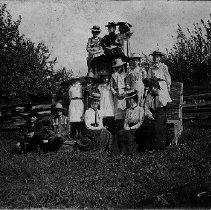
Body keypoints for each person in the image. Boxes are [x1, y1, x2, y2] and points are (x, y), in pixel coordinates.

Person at [141, 78, 169, 151]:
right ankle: (148, 146)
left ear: (156, 87)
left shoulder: (162, 94)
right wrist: (149, 115)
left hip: (161, 113)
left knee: (157, 127)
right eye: (150, 87)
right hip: (152, 113)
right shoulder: (149, 96)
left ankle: (159, 147)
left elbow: (164, 103)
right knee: (146, 126)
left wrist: (159, 94)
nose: (151, 89)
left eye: (153, 87)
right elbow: (146, 107)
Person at [116, 90, 144, 155]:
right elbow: (126, 120)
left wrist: (131, 128)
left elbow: (140, 122)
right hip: (129, 126)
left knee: (128, 134)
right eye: (128, 100)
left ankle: (130, 151)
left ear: (134, 100)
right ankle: (122, 151)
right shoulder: (128, 110)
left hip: (136, 127)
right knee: (120, 133)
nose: (129, 101)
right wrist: (125, 126)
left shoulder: (140, 109)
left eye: (130, 100)